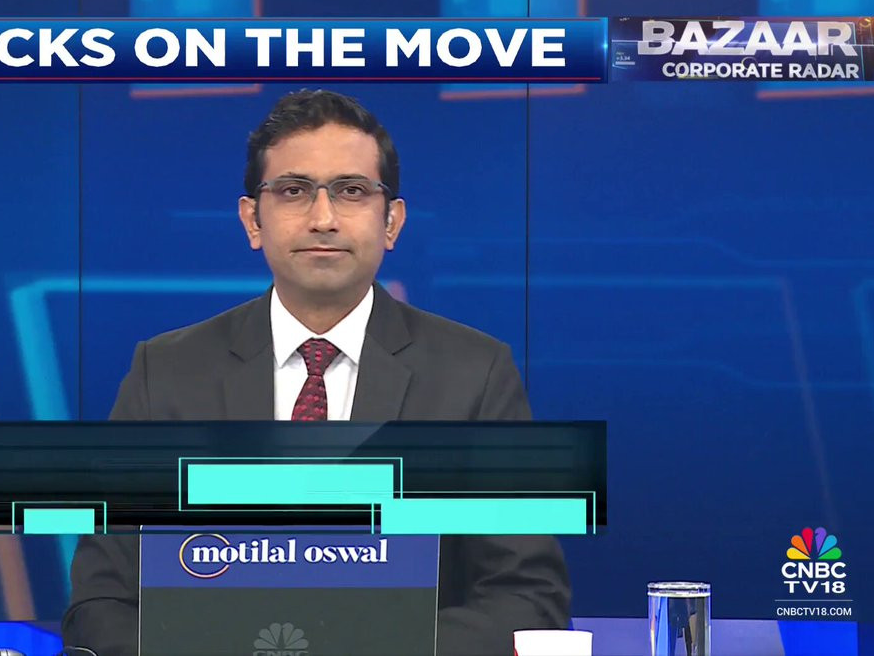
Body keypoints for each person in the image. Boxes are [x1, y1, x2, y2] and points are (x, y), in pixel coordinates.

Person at [64, 89, 571, 655]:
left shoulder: (474, 376)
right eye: (294, 191)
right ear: (253, 220)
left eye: (352, 191)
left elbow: (527, 598)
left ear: (392, 222)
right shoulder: (166, 374)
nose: (323, 218)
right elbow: (101, 601)